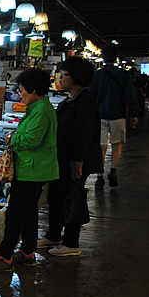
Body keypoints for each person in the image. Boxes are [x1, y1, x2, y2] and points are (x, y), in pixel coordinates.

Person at [0, 68, 58, 273]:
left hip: (31, 170)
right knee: (29, 212)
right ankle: (27, 251)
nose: (20, 94)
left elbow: (31, 140)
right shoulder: (39, 108)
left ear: (34, 90)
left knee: (16, 214)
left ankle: (5, 256)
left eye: (22, 90)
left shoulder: (41, 110)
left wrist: (11, 138)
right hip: (33, 169)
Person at [37, 58, 102, 257]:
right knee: (56, 197)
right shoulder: (72, 99)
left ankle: (71, 242)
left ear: (76, 79)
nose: (60, 79)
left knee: (72, 198)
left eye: (64, 75)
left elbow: (83, 135)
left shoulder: (85, 102)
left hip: (74, 161)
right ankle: (54, 235)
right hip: (62, 159)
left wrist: (77, 163)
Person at [88, 45, 138, 189]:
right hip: (118, 114)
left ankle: (99, 177)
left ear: (102, 57)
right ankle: (113, 171)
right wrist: (133, 113)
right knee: (117, 144)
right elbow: (130, 94)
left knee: (101, 146)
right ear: (116, 58)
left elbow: (91, 95)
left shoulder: (97, 75)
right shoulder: (123, 74)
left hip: (100, 115)